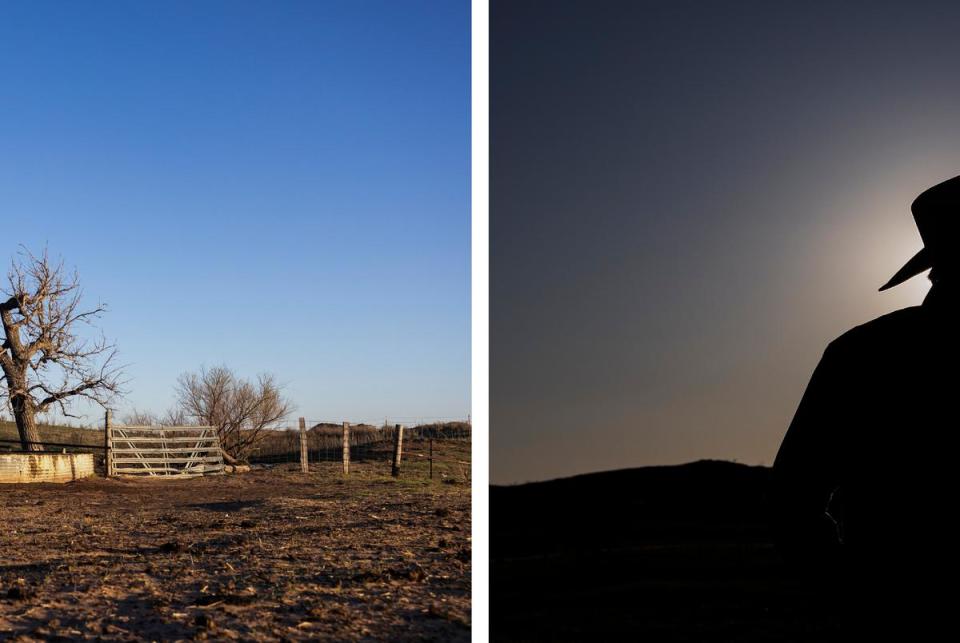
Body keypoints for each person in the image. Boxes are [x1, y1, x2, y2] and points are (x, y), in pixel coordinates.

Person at [772, 175, 960, 636]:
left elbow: (790, 500)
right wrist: (857, 593)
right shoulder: (862, 356)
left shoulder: (859, 352)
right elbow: (791, 499)